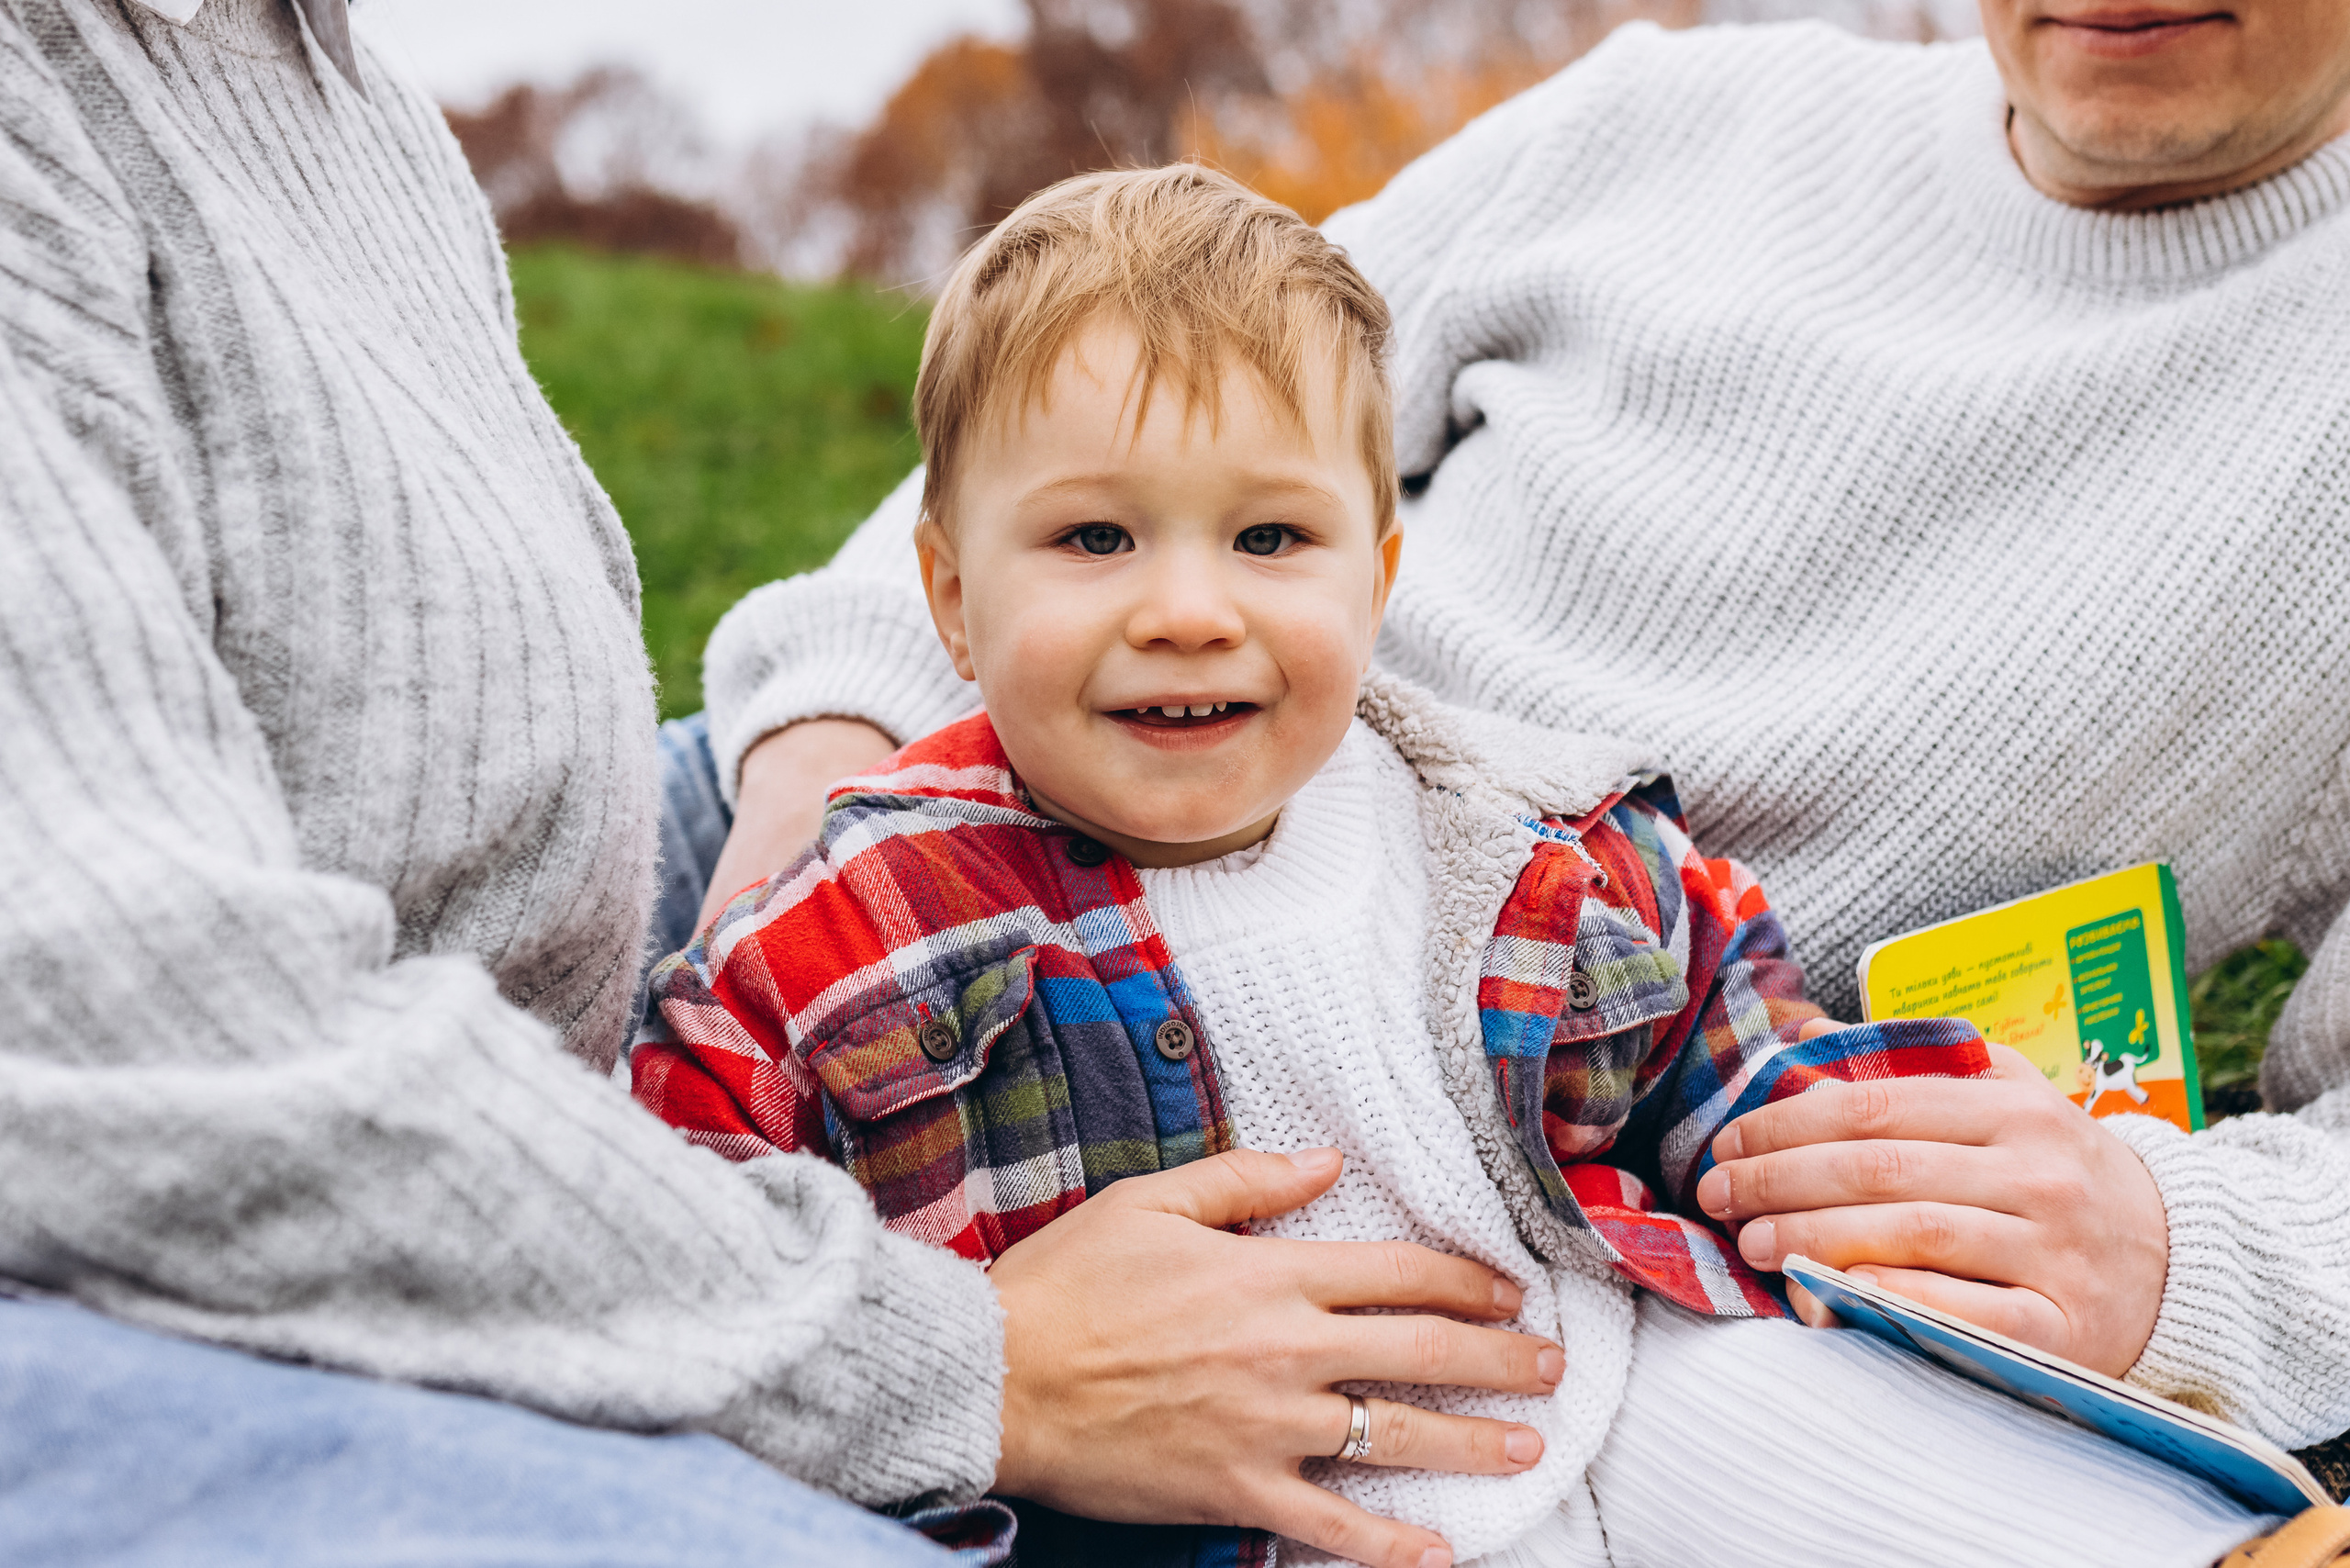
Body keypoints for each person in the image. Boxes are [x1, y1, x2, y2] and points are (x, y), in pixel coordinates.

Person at [690, 0, 2350, 1539]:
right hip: (907, 884)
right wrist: (817, 768)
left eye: (1279, 538)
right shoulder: (1679, 114)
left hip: (1558, 1114)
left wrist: (2187, 1253)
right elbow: (1107, 393)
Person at [0, 6, 1568, 1567]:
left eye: (1273, 545)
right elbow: (126, 1034)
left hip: (512, 1122)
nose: (1187, 607)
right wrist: (978, 1365)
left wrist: (1757, 1105)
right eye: (1101, 544)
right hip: (158, 1290)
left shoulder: (328, 87)